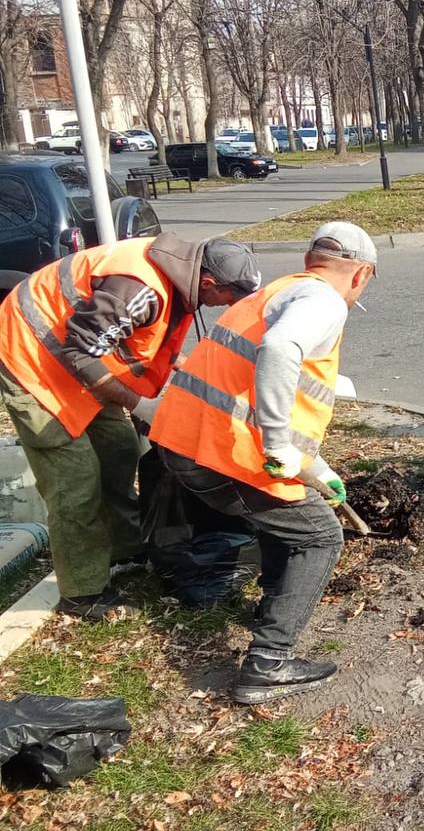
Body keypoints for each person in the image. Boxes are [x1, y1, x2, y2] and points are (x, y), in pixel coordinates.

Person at [148, 222, 376, 705]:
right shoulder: (324, 302)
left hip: (184, 438)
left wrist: (313, 467)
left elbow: (272, 392)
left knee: (287, 515)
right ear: (361, 275)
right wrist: (277, 447)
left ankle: (274, 600)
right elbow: (279, 351)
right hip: (219, 452)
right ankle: (269, 663)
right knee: (318, 536)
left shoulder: (279, 291)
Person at [0, 234, 261, 620]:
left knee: (120, 450)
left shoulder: (178, 276)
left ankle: (126, 548)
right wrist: (140, 404)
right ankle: (82, 593)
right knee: (76, 482)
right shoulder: (139, 288)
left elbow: (142, 343)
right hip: (34, 361)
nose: (229, 306)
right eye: (230, 298)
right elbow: (78, 350)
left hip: (81, 362)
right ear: (209, 283)